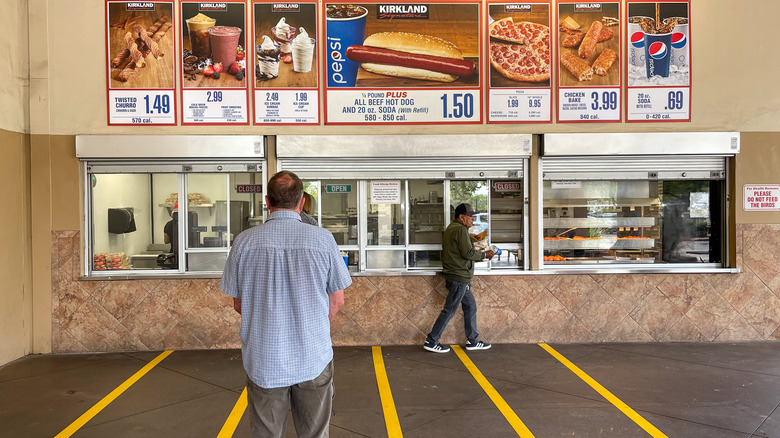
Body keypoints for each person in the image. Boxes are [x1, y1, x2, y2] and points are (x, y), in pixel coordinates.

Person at [220, 170, 352, 437]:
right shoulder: (323, 239)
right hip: (313, 357)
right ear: (301, 202)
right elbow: (337, 300)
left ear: (267, 202)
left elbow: (239, 304)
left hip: (264, 359)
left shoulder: (244, 242)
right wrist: (309, 322)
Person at [423, 203, 495, 354]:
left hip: (460, 276)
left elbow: (460, 249)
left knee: (470, 306)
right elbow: (468, 253)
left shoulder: (454, 228)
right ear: (461, 217)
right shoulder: (460, 229)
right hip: (459, 277)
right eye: (470, 217)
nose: (473, 219)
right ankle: (432, 340)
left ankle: (473, 341)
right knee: (449, 310)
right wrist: (484, 255)